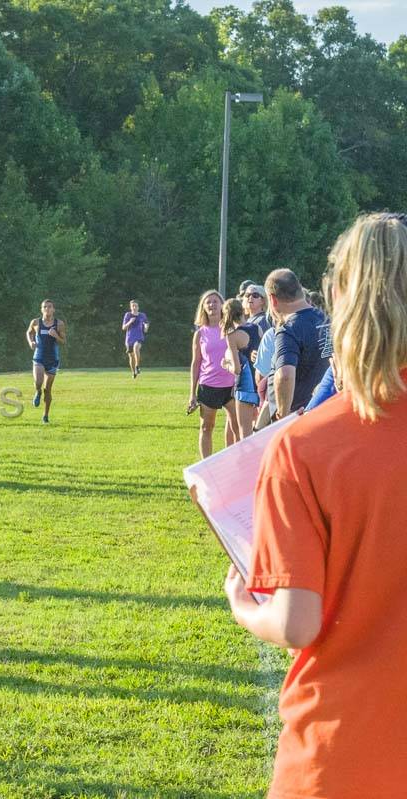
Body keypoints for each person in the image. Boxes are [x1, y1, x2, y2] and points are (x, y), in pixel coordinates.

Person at [224, 212, 407, 799]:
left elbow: (296, 622)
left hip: (339, 755)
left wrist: (241, 605)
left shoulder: (305, 446)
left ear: (340, 302)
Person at [266, 269, 330, 418]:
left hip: (301, 416)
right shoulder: (327, 319)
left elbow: (285, 375)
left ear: (273, 299)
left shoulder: (289, 329)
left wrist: (283, 414)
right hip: (328, 408)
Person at [187, 290, 237, 459]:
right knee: (207, 427)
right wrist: (192, 394)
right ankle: (206, 464)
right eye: (208, 302)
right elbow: (196, 364)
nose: (212, 305)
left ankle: (235, 459)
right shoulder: (200, 333)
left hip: (231, 386)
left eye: (215, 301)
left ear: (222, 305)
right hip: (208, 385)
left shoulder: (231, 329)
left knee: (236, 425)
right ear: (203, 307)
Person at [222, 298, 260, 442]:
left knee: (245, 432)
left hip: (244, 386)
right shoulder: (257, 328)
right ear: (243, 311)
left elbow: (237, 369)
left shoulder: (231, 336)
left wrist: (226, 365)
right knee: (258, 427)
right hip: (258, 382)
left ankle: (248, 463)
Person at [25, 300, 66, 424]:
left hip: (53, 359)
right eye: (45, 307)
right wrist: (31, 342)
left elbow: (63, 342)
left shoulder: (59, 324)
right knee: (38, 382)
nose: (47, 309)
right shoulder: (36, 322)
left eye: (49, 307)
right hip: (39, 357)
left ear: (53, 309)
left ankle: (45, 416)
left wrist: (56, 336)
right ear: (41, 309)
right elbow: (29, 332)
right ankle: (37, 392)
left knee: (47, 390)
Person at [121, 300, 149, 378]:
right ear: (130, 307)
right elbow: (123, 328)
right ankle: (133, 372)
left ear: (138, 307)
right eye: (133, 306)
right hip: (129, 338)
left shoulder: (142, 315)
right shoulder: (128, 315)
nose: (134, 307)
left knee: (136, 347)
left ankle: (137, 366)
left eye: (136, 306)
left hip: (139, 336)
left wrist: (146, 327)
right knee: (131, 356)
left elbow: (146, 324)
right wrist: (130, 322)